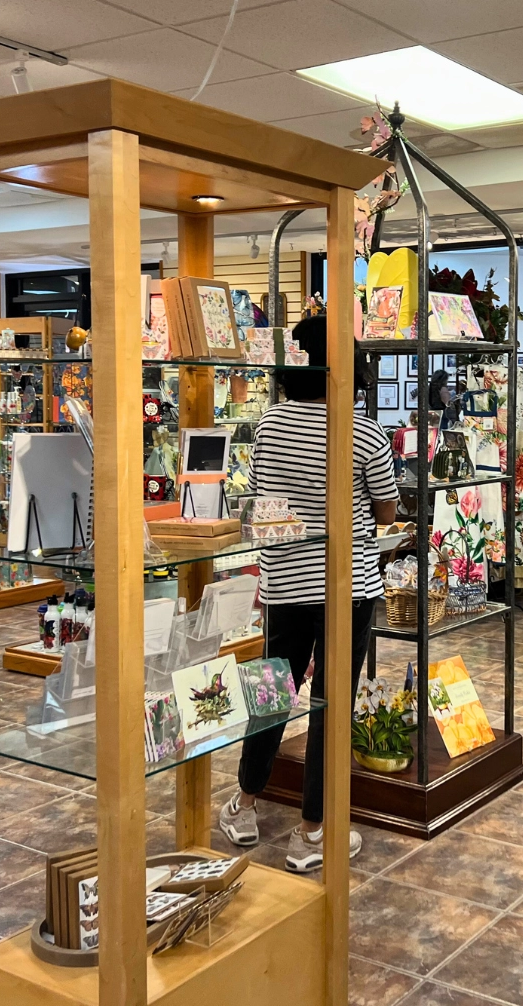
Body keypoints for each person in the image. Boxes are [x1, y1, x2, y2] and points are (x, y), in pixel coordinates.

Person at [219, 315, 397, 872]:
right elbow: (387, 510)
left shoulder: (269, 425)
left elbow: (268, 498)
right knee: (330, 706)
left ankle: (245, 803)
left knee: (271, 694)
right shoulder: (364, 432)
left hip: (284, 582)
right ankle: (313, 833)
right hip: (349, 586)